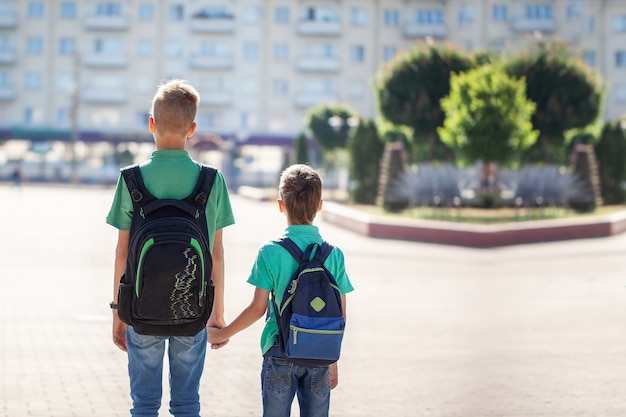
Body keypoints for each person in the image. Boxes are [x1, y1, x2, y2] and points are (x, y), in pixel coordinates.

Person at [106, 79, 235, 417]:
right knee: (187, 403)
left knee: (144, 404)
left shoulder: (131, 179)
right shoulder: (212, 180)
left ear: (151, 124)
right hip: (193, 310)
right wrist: (216, 314)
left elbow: (122, 253)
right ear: (192, 129)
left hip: (140, 307)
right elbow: (216, 254)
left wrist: (120, 313)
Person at [208, 163, 354, 417]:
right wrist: (332, 360)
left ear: (280, 204)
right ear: (319, 206)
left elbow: (257, 309)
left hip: (280, 350)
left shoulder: (271, 251)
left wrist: (222, 334)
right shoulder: (335, 255)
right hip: (320, 353)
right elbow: (339, 315)